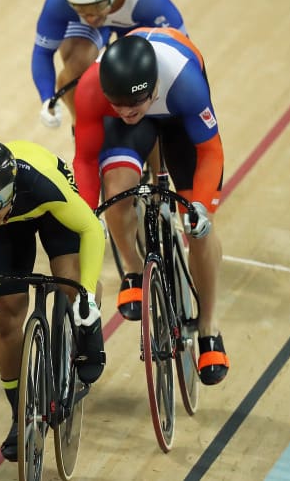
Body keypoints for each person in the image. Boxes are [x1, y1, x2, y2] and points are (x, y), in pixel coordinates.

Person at [72, 28, 230, 386]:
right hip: (139, 111)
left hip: (176, 117)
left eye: (133, 105)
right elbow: (84, 159)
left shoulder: (185, 83)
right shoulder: (93, 89)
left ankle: (208, 326)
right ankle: (132, 268)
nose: (126, 112)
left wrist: (203, 208)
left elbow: (210, 152)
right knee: (117, 188)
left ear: (152, 87)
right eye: (118, 105)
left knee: (198, 226)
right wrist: (86, 212)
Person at [0, 139, 106, 462]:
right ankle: (20, 413)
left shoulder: (41, 184)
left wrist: (86, 295)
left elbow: (90, 230)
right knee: (8, 312)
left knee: (70, 284)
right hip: (8, 230)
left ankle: (88, 327)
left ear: (12, 187)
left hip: (48, 210)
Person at [33, 0, 187, 128]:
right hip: (111, 5)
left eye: (97, 7)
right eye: (82, 10)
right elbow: (42, 52)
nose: (90, 18)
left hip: (133, 17)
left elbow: (182, 52)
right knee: (77, 62)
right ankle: (82, 126)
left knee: (139, 70)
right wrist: (46, 98)